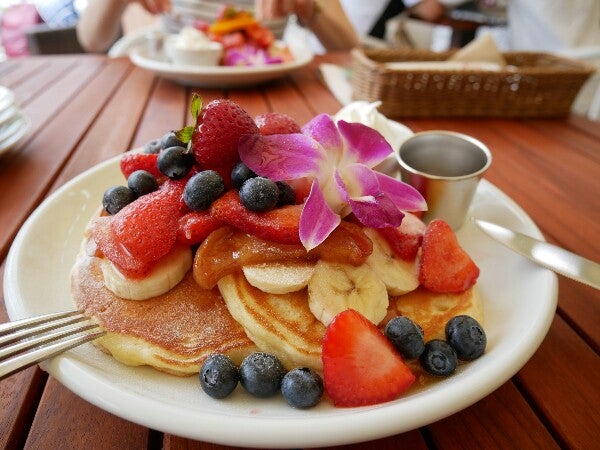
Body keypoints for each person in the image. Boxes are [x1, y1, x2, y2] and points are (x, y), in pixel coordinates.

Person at [76, 0, 360, 53]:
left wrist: (308, 6)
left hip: (270, 89)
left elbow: (347, 44)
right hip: (171, 90)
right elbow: (91, 39)